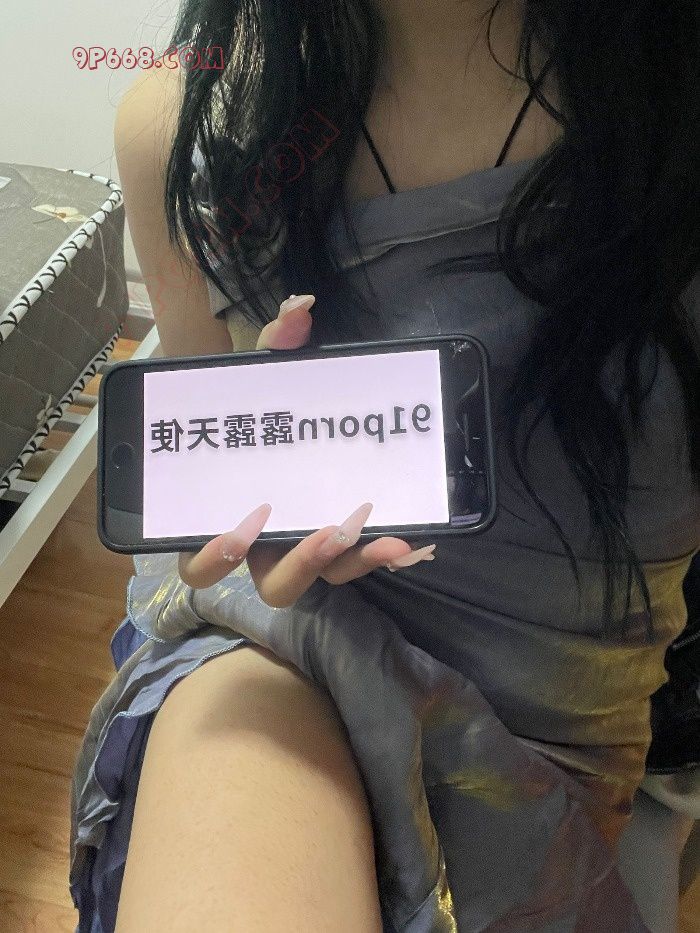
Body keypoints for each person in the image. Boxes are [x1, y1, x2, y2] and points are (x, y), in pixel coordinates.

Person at [71, 1, 700, 930]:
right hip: (279, 645)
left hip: (558, 735)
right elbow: (204, 502)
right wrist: (254, 502)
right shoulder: (188, 126)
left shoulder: (670, 125)